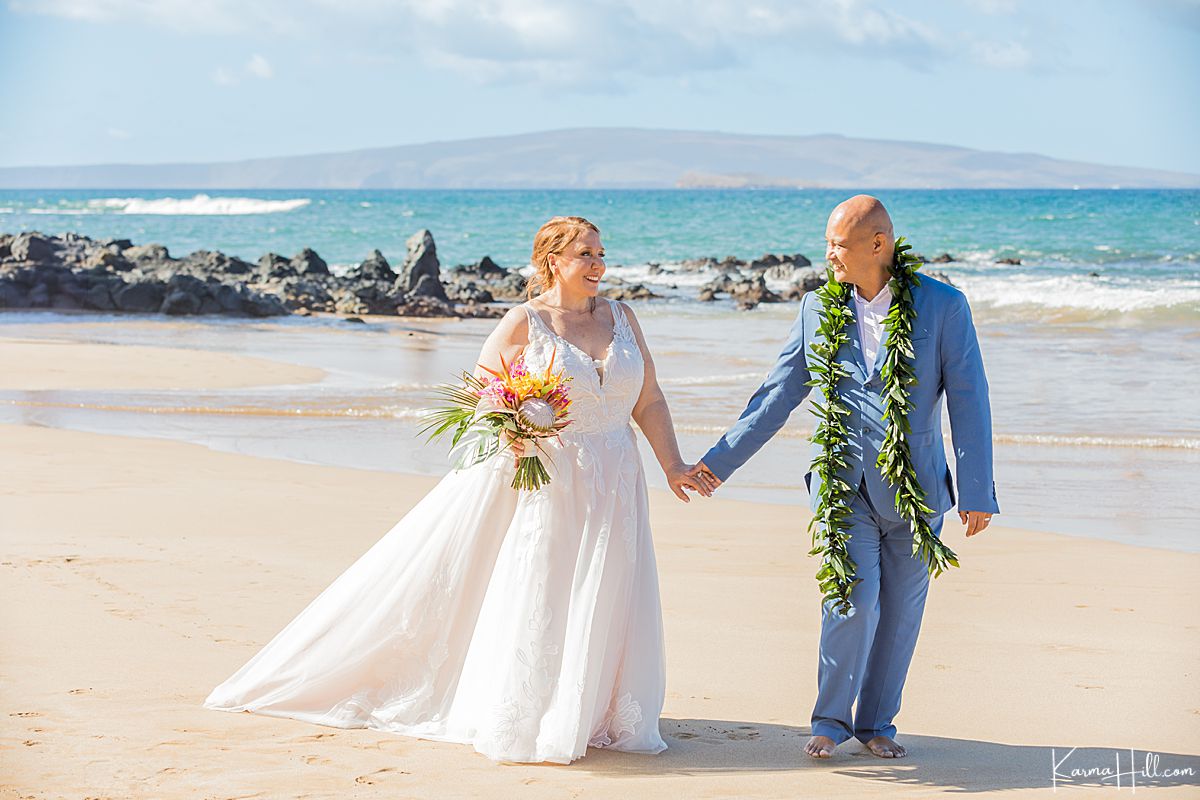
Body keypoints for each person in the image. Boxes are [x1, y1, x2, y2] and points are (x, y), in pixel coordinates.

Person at [204, 216, 704, 764]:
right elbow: (483, 399)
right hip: (554, 479)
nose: (599, 265)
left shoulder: (623, 318)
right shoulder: (524, 323)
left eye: (602, 253)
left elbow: (648, 399)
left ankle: (594, 709)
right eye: (586, 254)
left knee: (612, 584)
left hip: (619, 475)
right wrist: (514, 434)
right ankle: (539, 709)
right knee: (550, 585)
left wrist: (673, 464)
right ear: (551, 261)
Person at [687, 195, 998, 759]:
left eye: (838, 243)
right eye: (827, 241)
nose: (828, 253)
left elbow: (970, 400)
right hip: (842, 486)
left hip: (917, 491)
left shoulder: (943, 306)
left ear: (877, 245)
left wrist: (978, 490)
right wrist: (719, 462)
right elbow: (778, 394)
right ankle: (829, 720)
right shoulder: (815, 309)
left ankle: (877, 723)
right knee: (849, 602)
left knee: (901, 616)